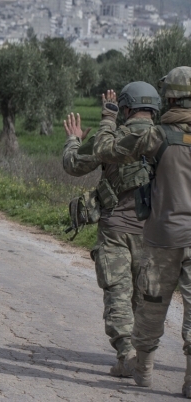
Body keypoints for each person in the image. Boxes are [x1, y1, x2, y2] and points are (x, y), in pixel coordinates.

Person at [93, 66, 191, 395]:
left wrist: (109, 118)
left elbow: (105, 150)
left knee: (151, 305)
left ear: (170, 97)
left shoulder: (156, 135)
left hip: (164, 235)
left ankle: (144, 368)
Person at [62, 81, 160, 377]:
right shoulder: (166, 138)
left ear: (125, 108)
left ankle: (126, 354)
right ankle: (142, 359)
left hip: (115, 228)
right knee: (144, 299)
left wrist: (74, 139)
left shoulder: (112, 137)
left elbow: (73, 165)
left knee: (117, 293)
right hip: (154, 234)